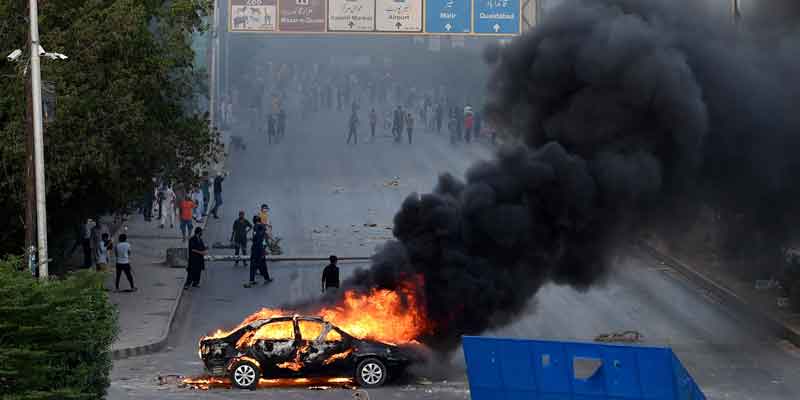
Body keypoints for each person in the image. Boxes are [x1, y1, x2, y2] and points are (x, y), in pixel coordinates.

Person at [245, 223, 272, 288]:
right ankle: (267, 278)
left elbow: (254, 242)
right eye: (264, 230)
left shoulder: (256, 234)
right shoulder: (261, 236)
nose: (264, 231)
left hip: (254, 253)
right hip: (259, 253)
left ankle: (252, 280)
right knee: (263, 267)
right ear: (261, 230)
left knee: (253, 267)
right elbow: (261, 246)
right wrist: (263, 253)